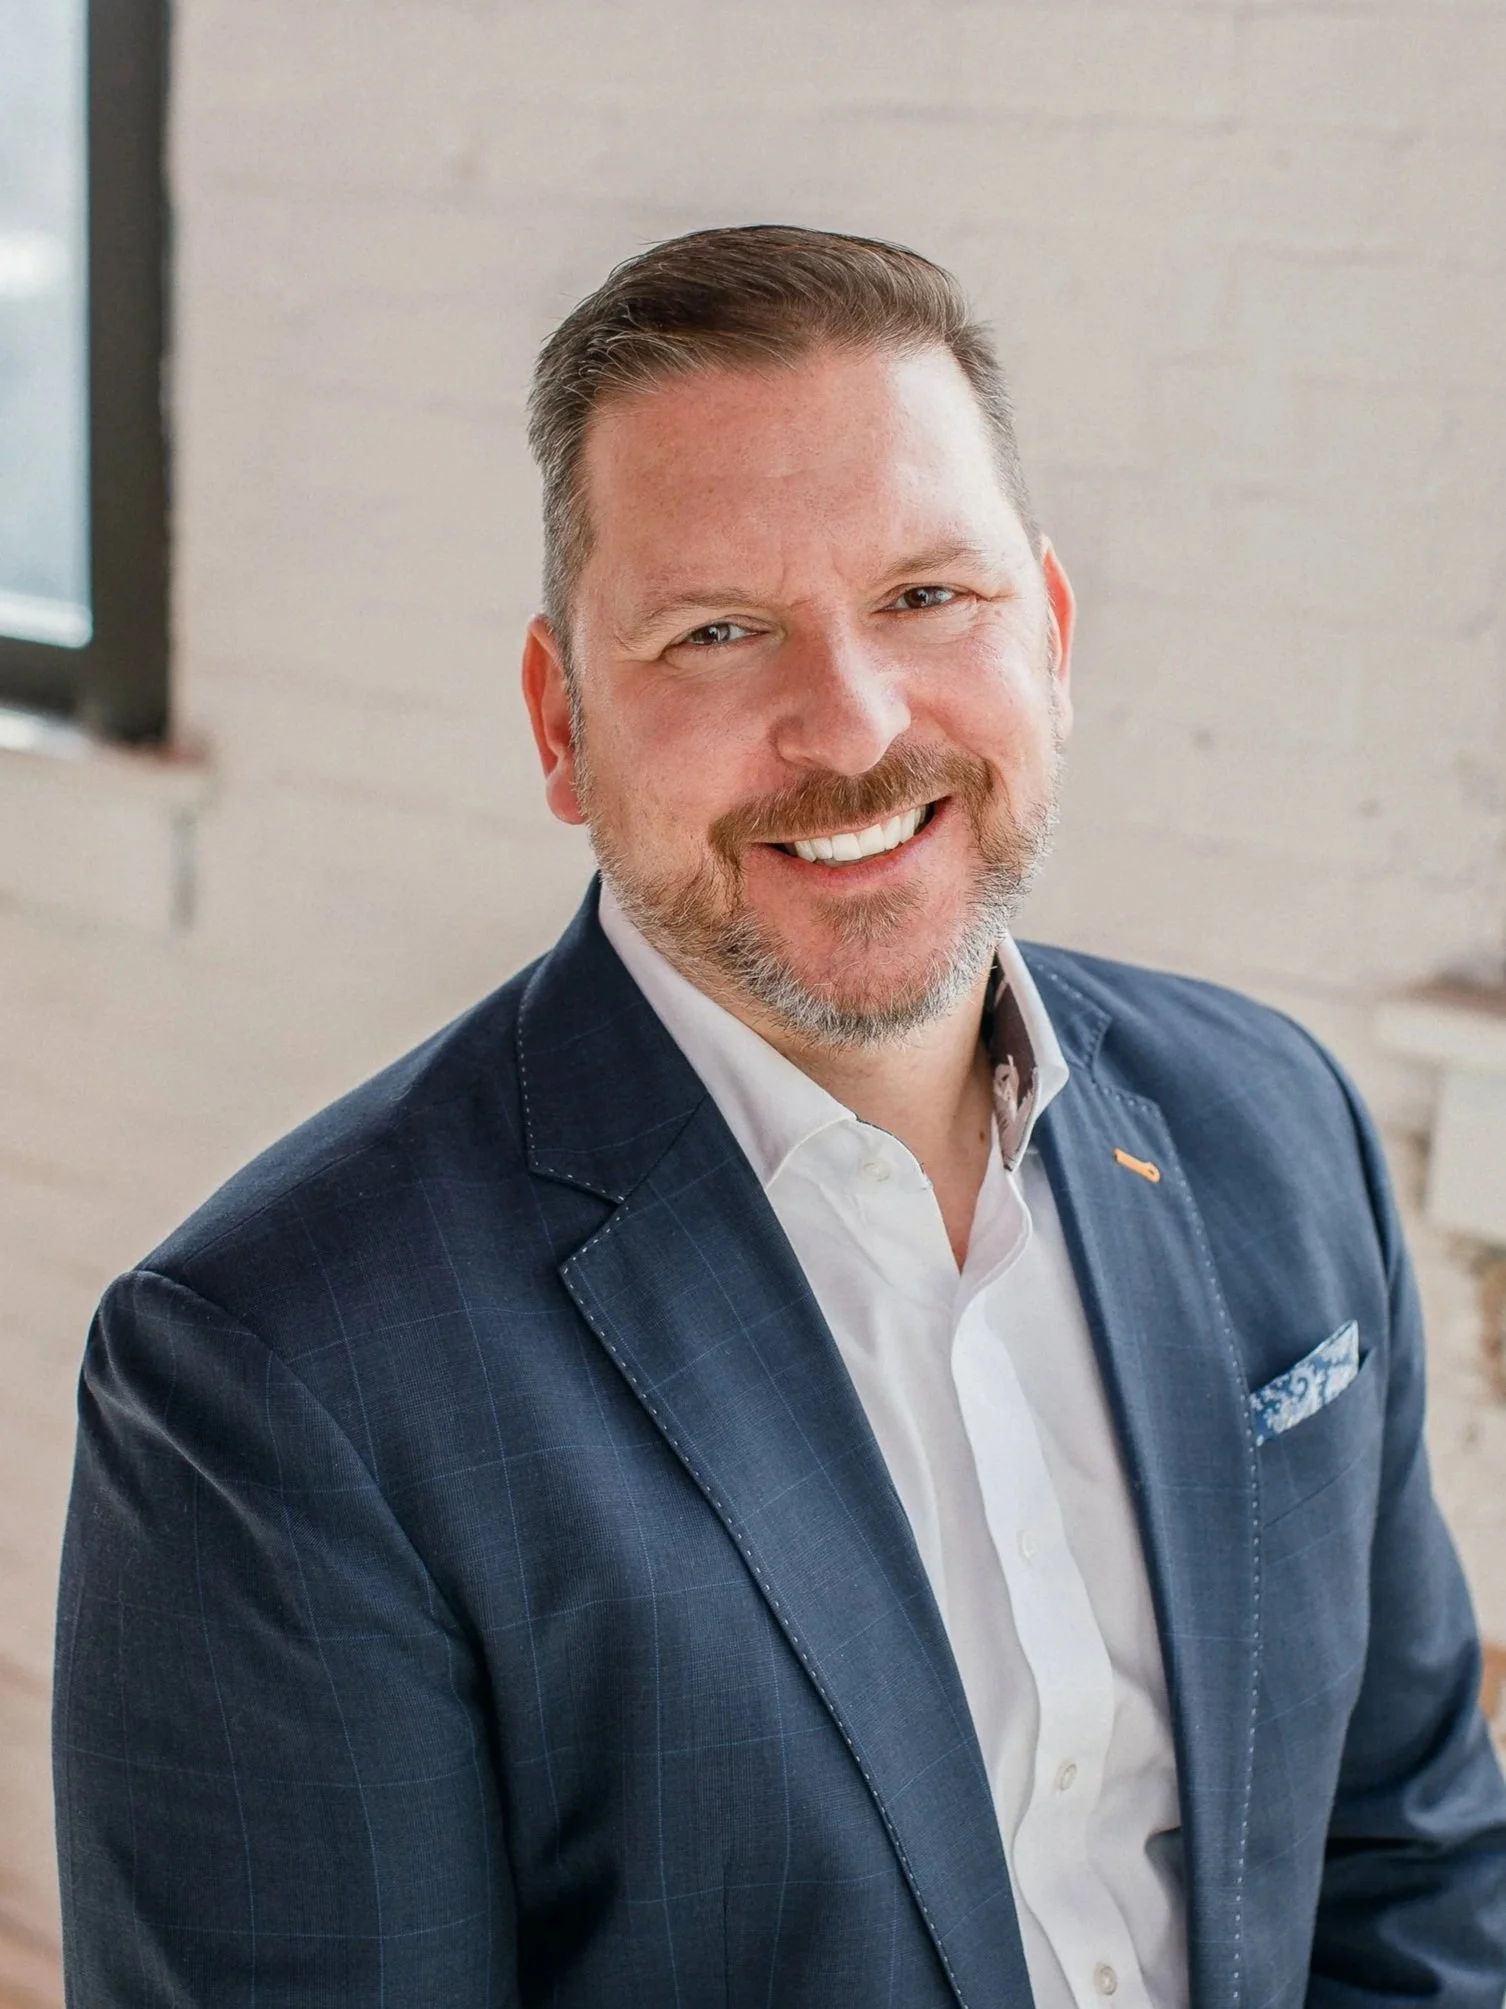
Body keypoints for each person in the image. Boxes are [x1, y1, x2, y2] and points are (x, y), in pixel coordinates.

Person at [54, 225, 1506, 2008]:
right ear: (561, 722)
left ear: (1046, 636)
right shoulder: (276, 1376)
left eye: (926, 598)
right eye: (717, 631)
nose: (853, 724)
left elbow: (1409, 1859)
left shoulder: (1274, 1128)